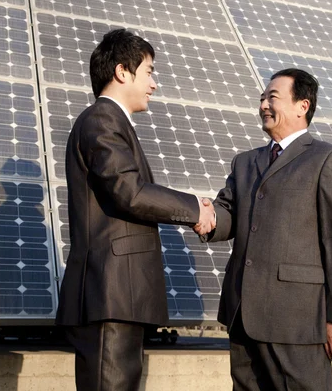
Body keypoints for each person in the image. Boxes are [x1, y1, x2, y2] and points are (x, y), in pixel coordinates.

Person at [56, 28, 215, 391]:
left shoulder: (110, 123)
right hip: (110, 292)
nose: (154, 83)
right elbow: (129, 192)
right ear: (121, 72)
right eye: (148, 71)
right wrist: (195, 208)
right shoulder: (102, 121)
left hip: (118, 295)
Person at [197, 68, 332, 391]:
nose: (263, 105)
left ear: (303, 105)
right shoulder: (245, 162)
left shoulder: (328, 159)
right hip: (242, 316)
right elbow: (228, 212)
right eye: (262, 98)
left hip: (297, 323)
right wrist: (205, 216)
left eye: (273, 97)